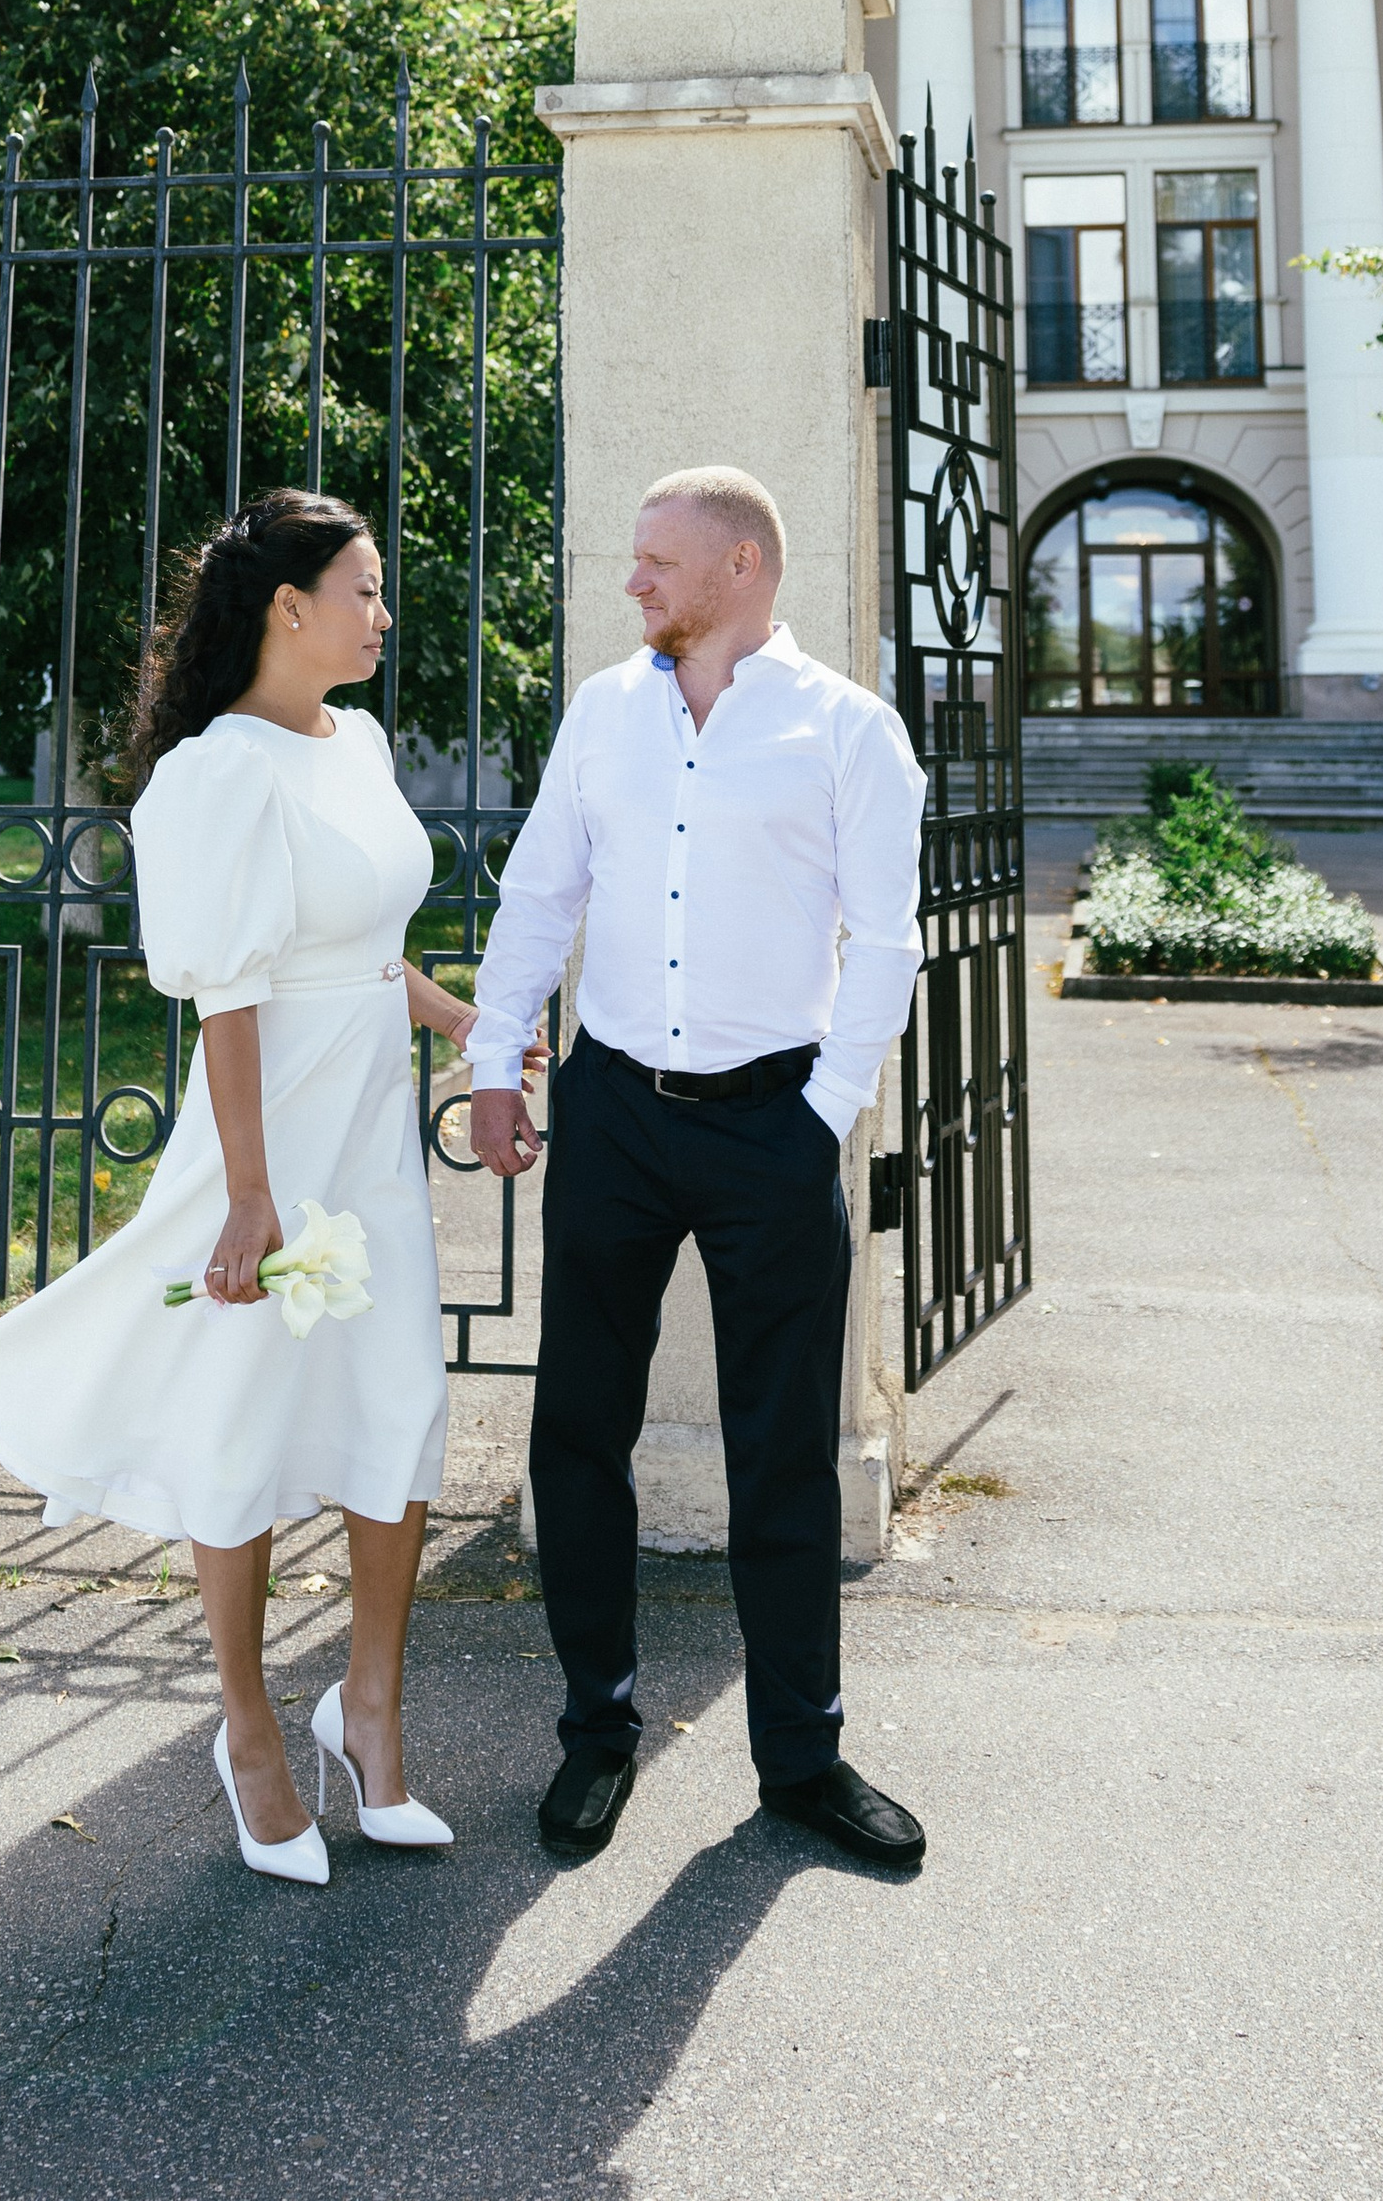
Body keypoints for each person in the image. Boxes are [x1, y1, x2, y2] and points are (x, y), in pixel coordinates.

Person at [0, 488, 534, 1887]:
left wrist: (472, 1031)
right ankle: (251, 1727)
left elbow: (367, 948)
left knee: (398, 1406)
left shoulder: (363, 743)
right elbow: (231, 992)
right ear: (290, 605)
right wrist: (252, 1200)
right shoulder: (216, 772)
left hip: (372, 1126)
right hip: (265, 1130)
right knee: (247, 1415)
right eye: (367, 590)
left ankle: (370, 1713)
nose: (383, 616)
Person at [467, 463, 931, 1872]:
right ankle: (596, 1738)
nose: (634, 583)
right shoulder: (606, 712)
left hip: (771, 1124)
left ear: (741, 565)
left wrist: (824, 1113)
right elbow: (542, 888)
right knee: (578, 1430)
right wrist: (498, 1060)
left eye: (658, 559)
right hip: (611, 1111)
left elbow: (888, 940)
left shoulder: (848, 731)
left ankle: (801, 1762)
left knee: (782, 1451)